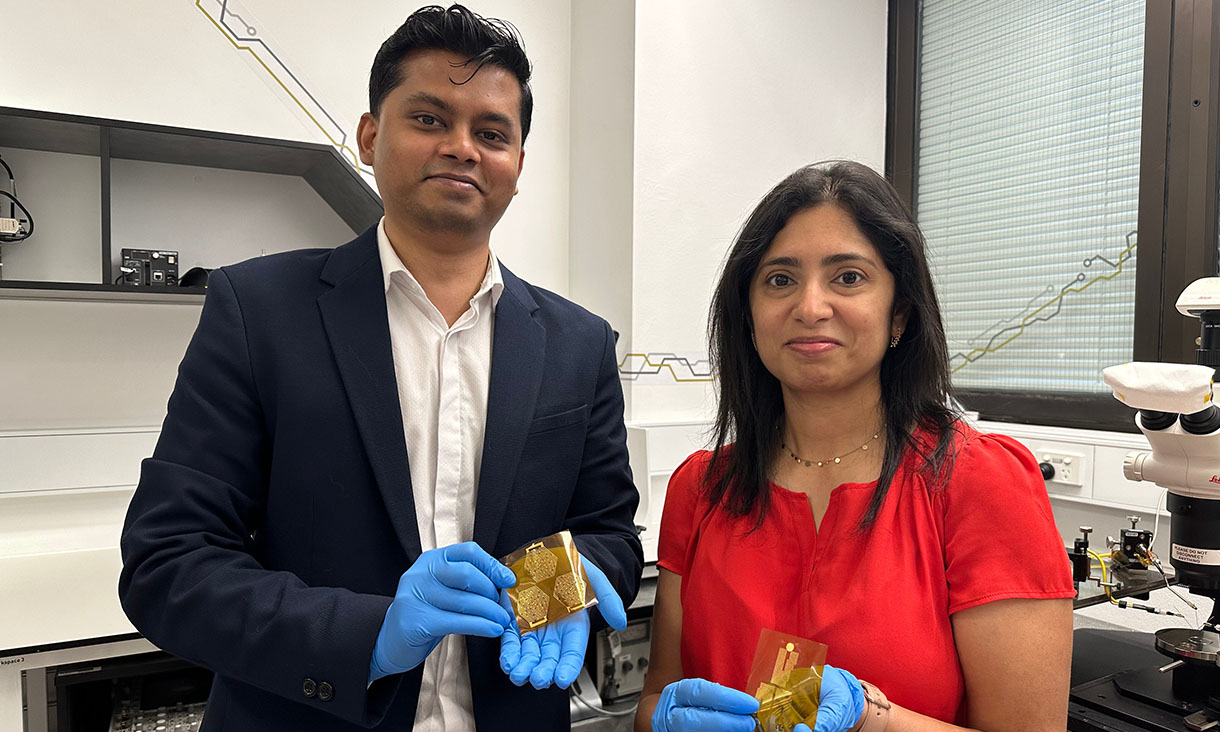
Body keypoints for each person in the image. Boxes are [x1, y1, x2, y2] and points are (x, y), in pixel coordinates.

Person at [118, 5, 642, 731]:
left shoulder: (579, 343)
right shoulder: (259, 312)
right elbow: (167, 566)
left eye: (491, 133)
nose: (461, 147)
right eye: (429, 118)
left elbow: (609, 533)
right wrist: (372, 633)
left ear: (518, 164)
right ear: (370, 137)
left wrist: (553, 590)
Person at [637, 161, 1074, 732]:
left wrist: (874, 721)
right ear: (748, 316)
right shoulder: (702, 487)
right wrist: (660, 720)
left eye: (848, 277)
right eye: (779, 279)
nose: (810, 307)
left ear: (899, 313)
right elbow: (657, 701)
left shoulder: (979, 482)